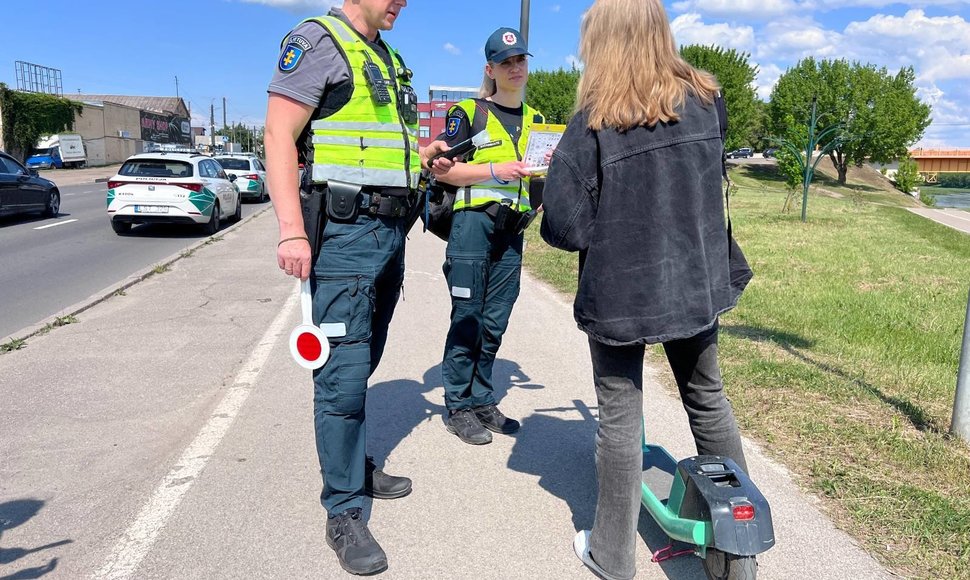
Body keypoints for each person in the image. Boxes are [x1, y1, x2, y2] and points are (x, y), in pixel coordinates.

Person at [539, 0, 752, 578]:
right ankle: (739, 555)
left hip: (621, 292)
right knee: (707, 400)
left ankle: (612, 556)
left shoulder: (593, 120)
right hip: (695, 280)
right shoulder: (708, 100)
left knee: (618, 416)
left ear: (601, 42)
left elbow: (561, 224)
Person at [264, 0, 451, 575]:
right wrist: (292, 231)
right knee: (342, 379)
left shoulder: (386, 56)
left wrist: (424, 157)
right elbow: (278, 133)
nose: (402, 2)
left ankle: (353, 465)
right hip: (345, 237)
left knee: (365, 357)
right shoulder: (318, 40)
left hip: (390, 233)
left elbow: (373, 146)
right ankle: (343, 509)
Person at [434, 27, 545, 445]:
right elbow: (445, 169)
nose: (516, 68)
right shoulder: (471, 112)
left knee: (495, 319)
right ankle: (458, 405)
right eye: (506, 62)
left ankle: (482, 398)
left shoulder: (535, 120)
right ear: (491, 69)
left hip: (511, 230)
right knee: (468, 315)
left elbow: (537, 181)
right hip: (473, 227)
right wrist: (498, 170)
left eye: (520, 60)